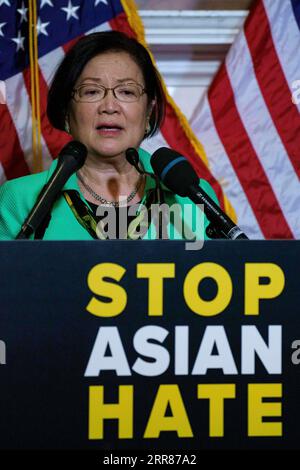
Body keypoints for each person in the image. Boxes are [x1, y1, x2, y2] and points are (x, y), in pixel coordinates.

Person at [0, 31, 219, 241]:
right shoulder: (20, 199)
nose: (110, 106)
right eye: (91, 91)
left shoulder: (191, 195)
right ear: (67, 112)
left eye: (127, 91)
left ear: (148, 112)